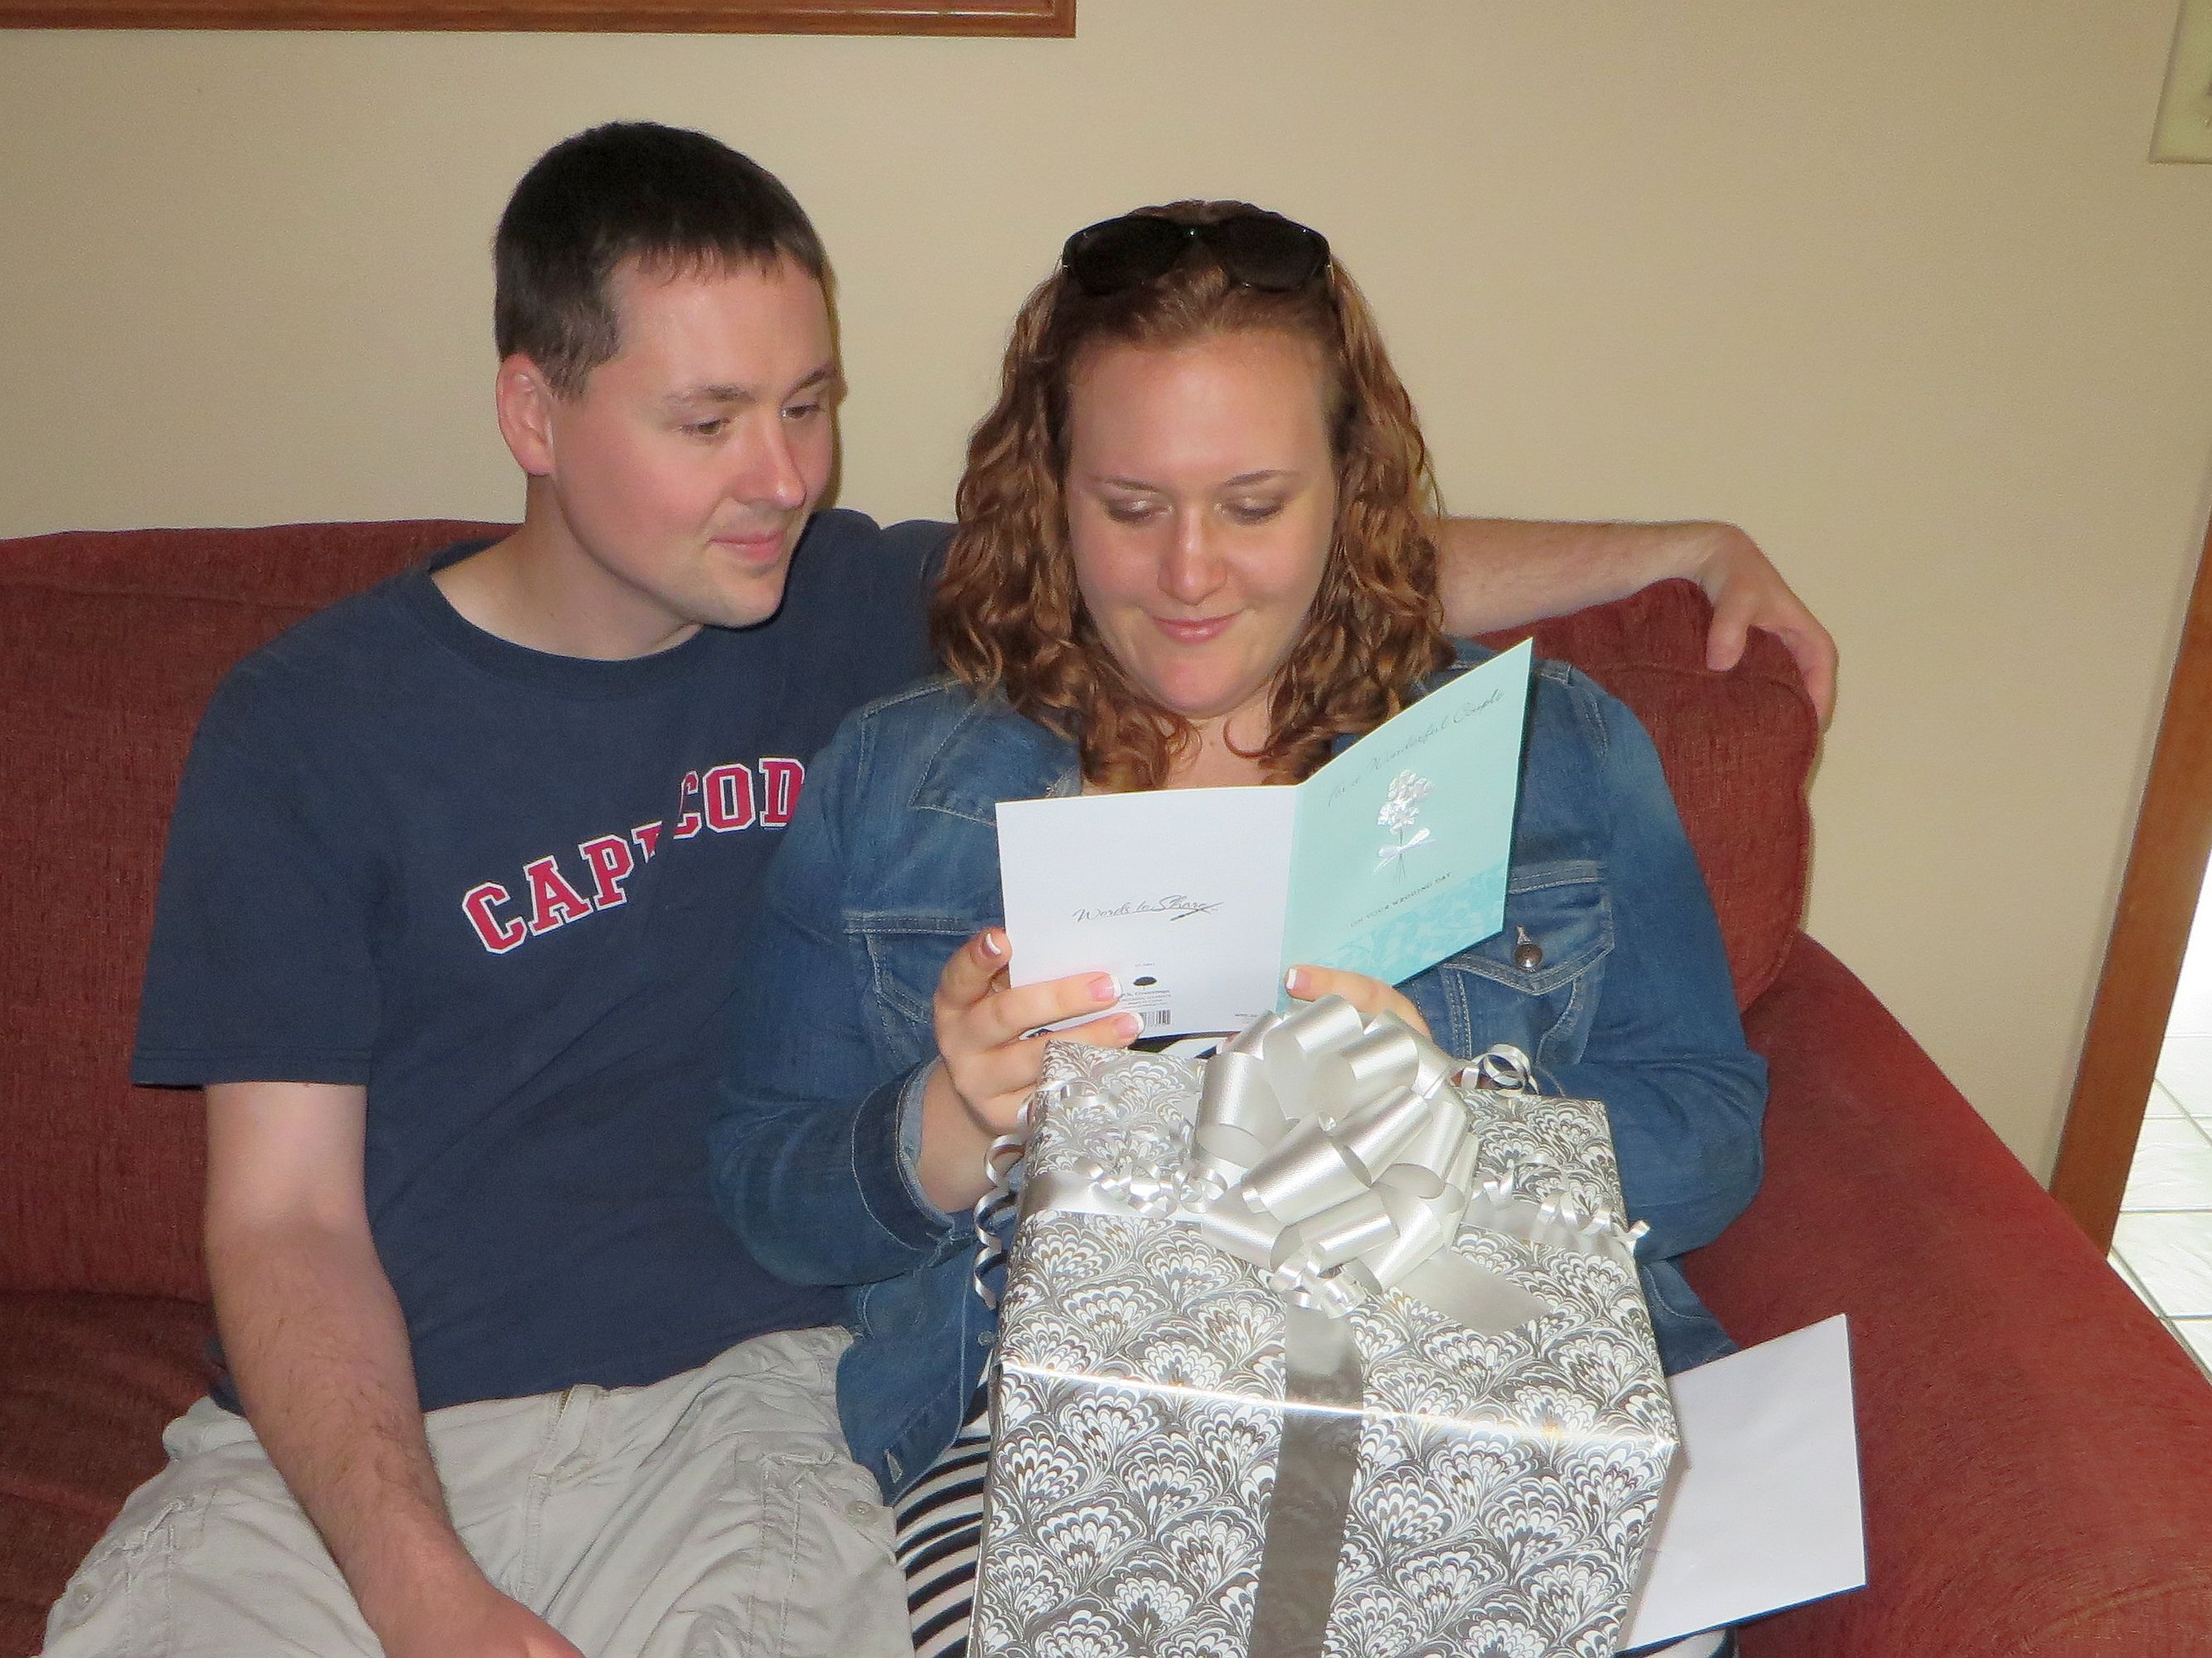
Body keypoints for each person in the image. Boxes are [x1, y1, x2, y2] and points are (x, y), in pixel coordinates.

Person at [47, 122, 1818, 1658]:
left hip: (1379, 1393)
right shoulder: (875, 755)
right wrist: (944, 1130)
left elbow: (1272, 569)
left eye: (809, 408)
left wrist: (1675, 555)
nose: (781, 478)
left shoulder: (1529, 748)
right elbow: (364, 1216)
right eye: (709, 418)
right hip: (615, 1450)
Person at [709, 201, 1764, 1658]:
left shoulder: (1549, 753)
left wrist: (1461, 1119)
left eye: (1254, 506)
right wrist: (942, 1128)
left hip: (1485, 1409)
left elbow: (1712, 1136)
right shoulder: (896, 786)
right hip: (1062, 1441)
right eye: (1129, 506)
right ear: (1049, 492)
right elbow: (762, 1187)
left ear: (1349, 489)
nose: (1190, 574)